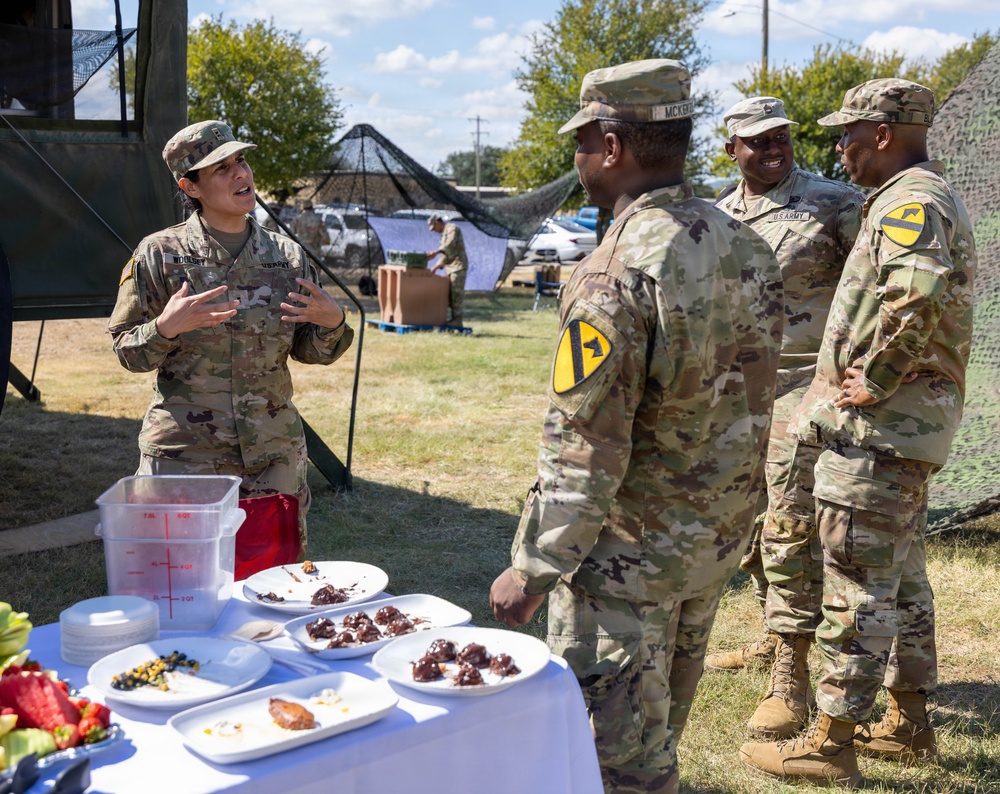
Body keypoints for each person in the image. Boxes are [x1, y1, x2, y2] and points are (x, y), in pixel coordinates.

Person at [489, 59, 784, 793]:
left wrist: (532, 570)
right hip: (709, 545)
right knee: (660, 736)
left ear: (614, 148)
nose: (580, 159)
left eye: (583, 142)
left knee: (610, 762)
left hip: (627, 568)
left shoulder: (613, 272)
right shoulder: (744, 241)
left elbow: (585, 448)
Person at [739, 79, 976, 787]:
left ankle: (830, 741)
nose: (837, 147)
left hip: (879, 431)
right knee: (899, 581)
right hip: (901, 433)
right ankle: (908, 720)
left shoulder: (911, 200)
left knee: (855, 586)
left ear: (882, 133)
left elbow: (919, 292)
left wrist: (878, 374)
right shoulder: (911, 195)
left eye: (848, 133)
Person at [107, 120, 355, 555]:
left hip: (272, 454)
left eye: (241, 160)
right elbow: (128, 352)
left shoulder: (287, 256)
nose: (241, 174)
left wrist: (333, 323)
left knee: (272, 585)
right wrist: (166, 327)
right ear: (191, 186)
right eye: (221, 169)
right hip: (187, 456)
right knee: (181, 580)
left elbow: (311, 350)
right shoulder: (160, 254)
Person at [706, 97, 863, 739]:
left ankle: (790, 680)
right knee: (743, 527)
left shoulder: (834, 203)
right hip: (737, 396)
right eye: (758, 141)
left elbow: (875, 285)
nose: (774, 148)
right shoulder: (716, 214)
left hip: (804, 393)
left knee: (790, 531)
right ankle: (772, 638)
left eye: (782, 138)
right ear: (731, 150)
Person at [426, 214, 468, 327]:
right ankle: (453, 319)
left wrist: (435, 253)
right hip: (450, 267)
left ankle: (457, 320)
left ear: (437, 222)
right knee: (450, 294)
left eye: (434, 228)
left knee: (456, 294)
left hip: (458, 266)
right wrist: (435, 267)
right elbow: (445, 255)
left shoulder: (452, 228)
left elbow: (449, 245)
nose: (434, 231)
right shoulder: (444, 233)